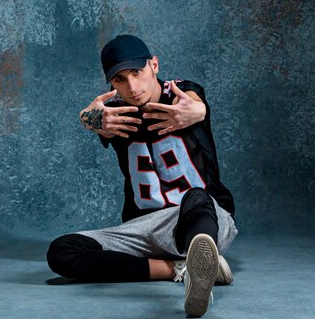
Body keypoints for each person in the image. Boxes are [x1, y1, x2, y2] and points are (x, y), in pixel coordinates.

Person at [47, 35, 237, 317]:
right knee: (62, 251)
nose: (132, 87)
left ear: (155, 65)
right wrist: (90, 120)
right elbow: (90, 116)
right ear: (111, 85)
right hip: (145, 229)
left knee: (196, 197)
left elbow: (196, 103)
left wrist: (197, 110)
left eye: (137, 72)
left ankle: (200, 265)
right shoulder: (115, 114)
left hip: (203, 219)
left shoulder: (181, 96)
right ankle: (181, 269)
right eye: (120, 80)